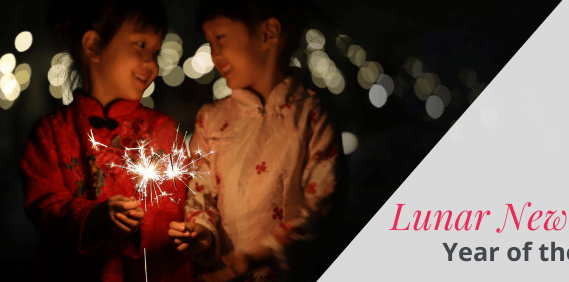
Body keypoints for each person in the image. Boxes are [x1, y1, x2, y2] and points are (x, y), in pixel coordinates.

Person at [168, 0, 346, 281]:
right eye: (209, 42)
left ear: (268, 34)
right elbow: (200, 194)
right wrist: (202, 232)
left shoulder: (311, 117)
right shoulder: (211, 119)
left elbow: (322, 208)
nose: (214, 54)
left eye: (220, 38)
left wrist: (260, 257)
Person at [21, 1, 194, 281]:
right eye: (140, 44)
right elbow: (44, 205)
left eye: (156, 51)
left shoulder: (162, 129)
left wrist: (141, 223)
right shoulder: (49, 133)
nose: (151, 63)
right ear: (93, 46)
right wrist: (95, 215)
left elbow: (176, 202)